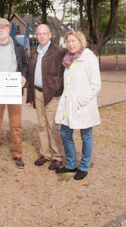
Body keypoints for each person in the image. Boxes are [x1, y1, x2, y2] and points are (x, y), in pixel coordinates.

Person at [55, 31, 101, 180]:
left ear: (81, 41)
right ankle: (71, 164)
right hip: (69, 104)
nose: (71, 44)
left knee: (86, 136)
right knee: (65, 134)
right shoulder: (69, 59)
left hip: (83, 105)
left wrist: (82, 100)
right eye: (68, 41)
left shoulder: (89, 59)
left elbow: (96, 85)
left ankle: (84, 167)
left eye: (74, 41)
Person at [0, 18, 28, 168]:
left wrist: (23, 75)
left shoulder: (18, 47)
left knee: (16, 125)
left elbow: (25, 65)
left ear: (9, 29)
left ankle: (18, 154)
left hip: (13, 89)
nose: (1, 30)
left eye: (4, 28)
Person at [26, 24, 67, 170]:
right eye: (39, 34)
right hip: (37, 93)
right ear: (36, 36)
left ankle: (57, 156)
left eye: (45, 33)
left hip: (53, 95)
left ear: (50, 35)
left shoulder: (60, 52)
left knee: (53, 126)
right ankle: (45, 154)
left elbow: (66, 73)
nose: (42, 36)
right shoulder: (33, 54)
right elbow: (30, 77)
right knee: (42, 125)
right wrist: (29, 97)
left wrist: (60, 92)